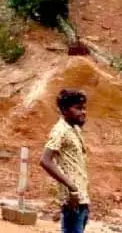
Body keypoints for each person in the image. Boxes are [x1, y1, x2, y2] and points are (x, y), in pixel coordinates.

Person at [40, 89, 89, 233]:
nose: (83, 112)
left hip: (82, 198)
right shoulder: (60, 130)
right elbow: (45, 160)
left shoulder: (74, 129)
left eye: (84, 108)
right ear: (64, 110)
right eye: (78, 108)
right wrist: (72, 188)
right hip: (72, 199)